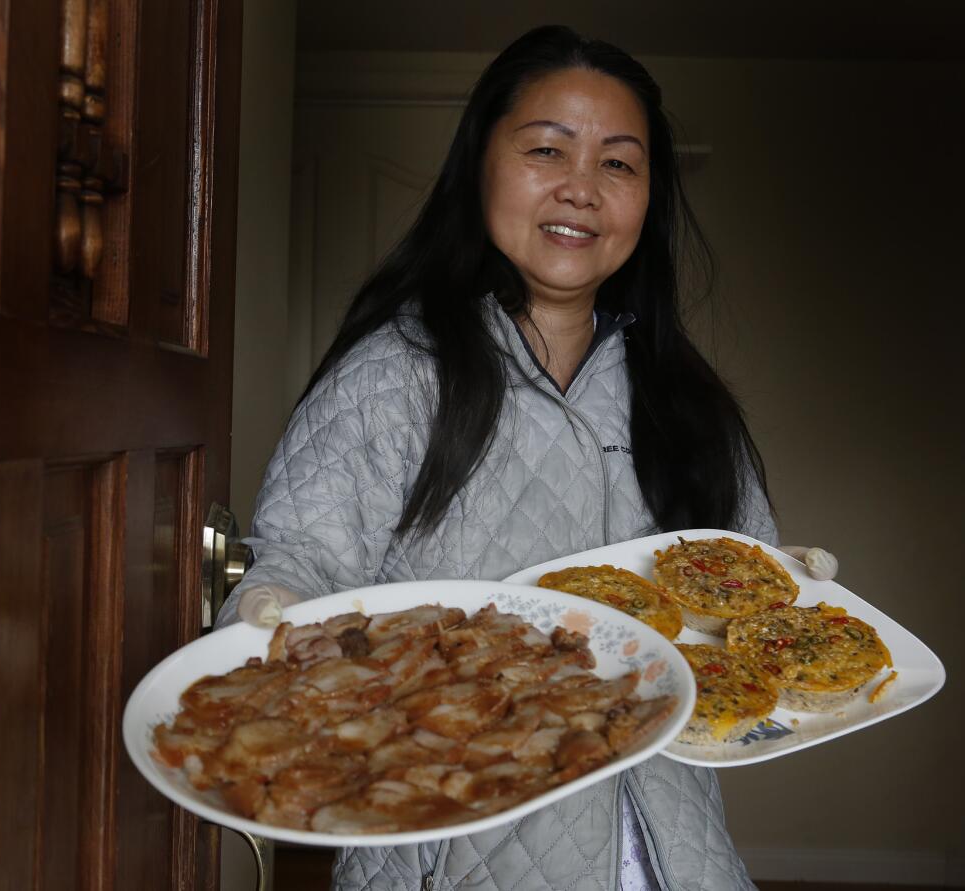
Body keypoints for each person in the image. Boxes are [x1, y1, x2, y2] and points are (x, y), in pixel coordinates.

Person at [219, 24, 835, 891]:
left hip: (666, 850)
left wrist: (794, 584)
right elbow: (306, 558)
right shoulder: (395, 372)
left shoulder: (685, 400)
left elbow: (742, 588)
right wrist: (271, 608)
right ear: (481, 166)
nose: (582, 189)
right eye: (548, 149)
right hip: (444, 846)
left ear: (650, 196)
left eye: (619, 164)